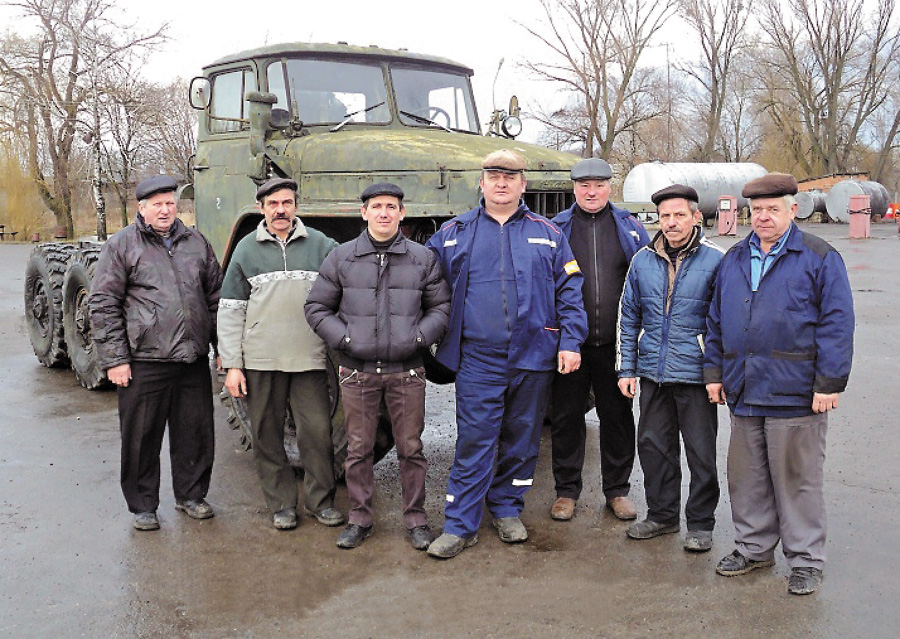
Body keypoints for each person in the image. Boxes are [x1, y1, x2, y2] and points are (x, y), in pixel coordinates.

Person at [424, 150, 587, 559]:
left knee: (522, 440)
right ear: (481, 182)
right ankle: (460, 524)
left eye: (510, 176)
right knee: (475, 440)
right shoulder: (452, 234)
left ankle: (507, 507)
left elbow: (570, 292)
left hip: (534, 355)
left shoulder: (548, 234)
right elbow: (421, 286)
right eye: (493, 175)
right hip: (477, 358)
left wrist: (570, 341)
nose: (501, 183)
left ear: (522, 184)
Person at [704, 173, 854, 595]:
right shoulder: (734, 258)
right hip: (744, 387)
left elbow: (837, 324)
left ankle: (806, 559)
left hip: (797, 389)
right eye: (758, 211)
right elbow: (715, 321)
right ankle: (754, 548)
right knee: (747, 477)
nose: (764, 218)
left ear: (793, 209)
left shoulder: (819, 256)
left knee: (797, 478)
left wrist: (829, 382)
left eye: (774, 209)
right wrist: (715, 374)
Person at [305, 183, 451, 550]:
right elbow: (317, 308)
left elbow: (441, 308)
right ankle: (359, 518)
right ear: (364, 213)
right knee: (358, 450)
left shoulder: (422, 259)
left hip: (407, 372)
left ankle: (416, 519)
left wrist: (418, 340)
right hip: (358, 372)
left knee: (411, 449)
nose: (383, 213)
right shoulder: (341, 258)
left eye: (391, 207)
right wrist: (347, 340)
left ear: (402, 214)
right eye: (376, 206)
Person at [90, 175, 222, 531]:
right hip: (144, 360)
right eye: (157, 204)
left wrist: (220, 347)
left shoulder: (196, 242)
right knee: (141, 437)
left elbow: (215, 298)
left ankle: (191, 496)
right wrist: (115, 358)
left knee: (195, 433)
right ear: (142, 208)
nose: (165, 210)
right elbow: (103, 304)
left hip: (191, 359)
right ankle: (143, 505)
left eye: (170, 203)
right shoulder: (122, 245)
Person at [217, 177, 345, 531]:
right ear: (261, 208)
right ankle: (281, 506)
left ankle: (321, 503)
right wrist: (232, 365)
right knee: (267, 435)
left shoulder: (321, 245)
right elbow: (230, 310)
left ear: (296, 207)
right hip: (261, 361)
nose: (280, 210)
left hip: (309, 359)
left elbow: (348, 282)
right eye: (273, 204)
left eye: (287, 203)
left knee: (317, 434)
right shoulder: (245, 250)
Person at [617, 184, 724, 552]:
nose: (672, 223)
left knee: (700, 453)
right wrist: (626, 368)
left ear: (696, 217)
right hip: (653, 373)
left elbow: (724, 323)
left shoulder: (716, 260)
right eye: (665, 216)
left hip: (696, 375)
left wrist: (717, 374)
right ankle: (662, 516)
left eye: (680, 215)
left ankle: (700, 523)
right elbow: (628, 317)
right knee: (653, 447)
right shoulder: (642, 259)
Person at [547, 158, 649, 522]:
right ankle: (566, 491)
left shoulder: (631, 229)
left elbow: (647, 281)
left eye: (599, 185)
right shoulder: (556, 228)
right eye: (584, 185)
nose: (592, 192)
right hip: (570, 346)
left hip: (615, 345)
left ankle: (618, 490)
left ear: (610, 187)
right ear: (574, 188)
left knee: (618, 416)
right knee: (566, 417)